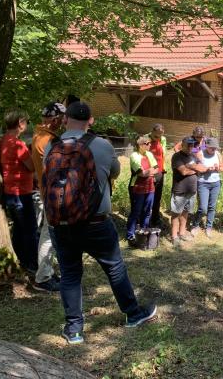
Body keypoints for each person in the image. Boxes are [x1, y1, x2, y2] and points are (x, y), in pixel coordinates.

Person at [43, 101, 156, 345]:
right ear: (91, 121)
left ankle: (74, 330)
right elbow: (114, 172)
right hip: (95, 222)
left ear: (65, 120)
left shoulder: (51, 147)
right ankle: (133, 314)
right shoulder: (102, 146)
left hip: (61, 224)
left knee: (70, 274)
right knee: (114, 268)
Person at [31, 102, 66, 292]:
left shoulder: (38, 135)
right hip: (52, 194)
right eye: (61, 119)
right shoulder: (48, 141)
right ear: (54, 120)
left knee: (50, 234)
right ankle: (43, 277)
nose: (63, 122)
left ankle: (48, 272)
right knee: (48, 236)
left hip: (46, 192)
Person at [0, 110, 38, 274]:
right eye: (26, 122)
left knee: (20, 229)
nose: (26, 125)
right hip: (21, 193)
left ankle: (21, 260)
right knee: (30, 229)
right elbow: (32, 167)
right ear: (20, 124)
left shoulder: (3, 141)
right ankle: (32, 264)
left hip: (10, 192)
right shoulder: (18, 144)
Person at [170, 137, 208, 247]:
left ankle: (182, 233)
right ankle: (174, 236)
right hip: (180, 189)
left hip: (191, 190)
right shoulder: (177, 156)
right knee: (176, 213)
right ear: (183, 145)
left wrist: (192, 166)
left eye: (192, 145)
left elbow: (203, 168)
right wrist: (194, 168)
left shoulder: (193, 156)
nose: (191, 147)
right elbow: (183, 172)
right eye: (188, 145)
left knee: (186, 212)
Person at [127, 135, 158, 246]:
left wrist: (149, 171)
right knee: (136, 212)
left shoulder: (149, 154)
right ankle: (130, 236)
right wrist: (150, 171)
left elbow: (157, 168)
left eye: (150, 143)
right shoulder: (134, 156)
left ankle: (144, 234)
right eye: (147, 143)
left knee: (147, 211)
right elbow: (141, 173)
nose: (150, 145)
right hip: (137, 187)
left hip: (150, 187)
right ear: (140, 145)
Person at [191, 137, 223, 238]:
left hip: (215, 183)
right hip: (203, 183)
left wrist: (218, 168)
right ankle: (195, 225)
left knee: (212, 207)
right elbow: (196, 168)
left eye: (215, 148)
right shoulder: (200, 153)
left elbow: (222, 168)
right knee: (203, 207)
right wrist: (207, 169)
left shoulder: (217, 154)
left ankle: (209, 227)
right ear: (207, 146)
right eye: (212, 148)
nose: (214, 150)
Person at [148, 124, 167, 228]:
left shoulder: (163, 139)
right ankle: (145, 220)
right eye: (156, 136)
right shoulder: (146, 139)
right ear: (152, 132)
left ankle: (155, 219)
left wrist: (163, 169)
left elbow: (162, 154)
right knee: (148, 197)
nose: (158, 138)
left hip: (160, 171)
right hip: (150, 173)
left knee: (157, 197)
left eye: (160, 136)